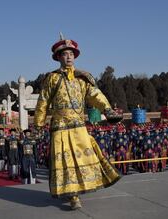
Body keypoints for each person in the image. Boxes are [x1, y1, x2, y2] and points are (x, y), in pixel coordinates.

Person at [34, 34, 122, 210]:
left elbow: (94, 95)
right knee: (65, 161)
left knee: (85, 155)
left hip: (79, 125)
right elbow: (43, 101)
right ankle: (73, 196)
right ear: (58, 57)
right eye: (65, 54)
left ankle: (90, 183)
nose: (69, 57)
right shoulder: (52, 78)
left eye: (72, 54)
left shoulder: (83, 78)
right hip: (60, 127)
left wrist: (107, 109)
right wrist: (38, 123)